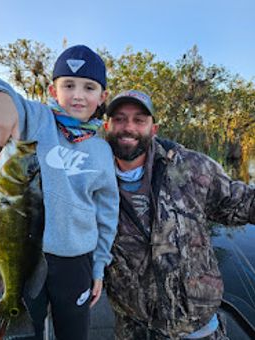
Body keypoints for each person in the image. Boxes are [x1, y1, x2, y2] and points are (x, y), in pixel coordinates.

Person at [0, 45, 119, 340]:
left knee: (74, 331)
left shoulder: (102, 151)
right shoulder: (36, 121)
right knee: (26, 330)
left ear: (102, 98)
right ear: (52, 89)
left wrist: (99, 266)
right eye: (68, 85)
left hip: (77, 261)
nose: (77, 94)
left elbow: (107, 212)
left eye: (89, 87)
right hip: (28, 255)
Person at [104, 90, 255, 340]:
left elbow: (240, 202)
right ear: (107, 126)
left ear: (154, 129)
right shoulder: (89, 177)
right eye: (119, 119)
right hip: (133, 329)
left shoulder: (190, 166)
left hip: (198, 329)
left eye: (139, 120)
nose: (128, 127)